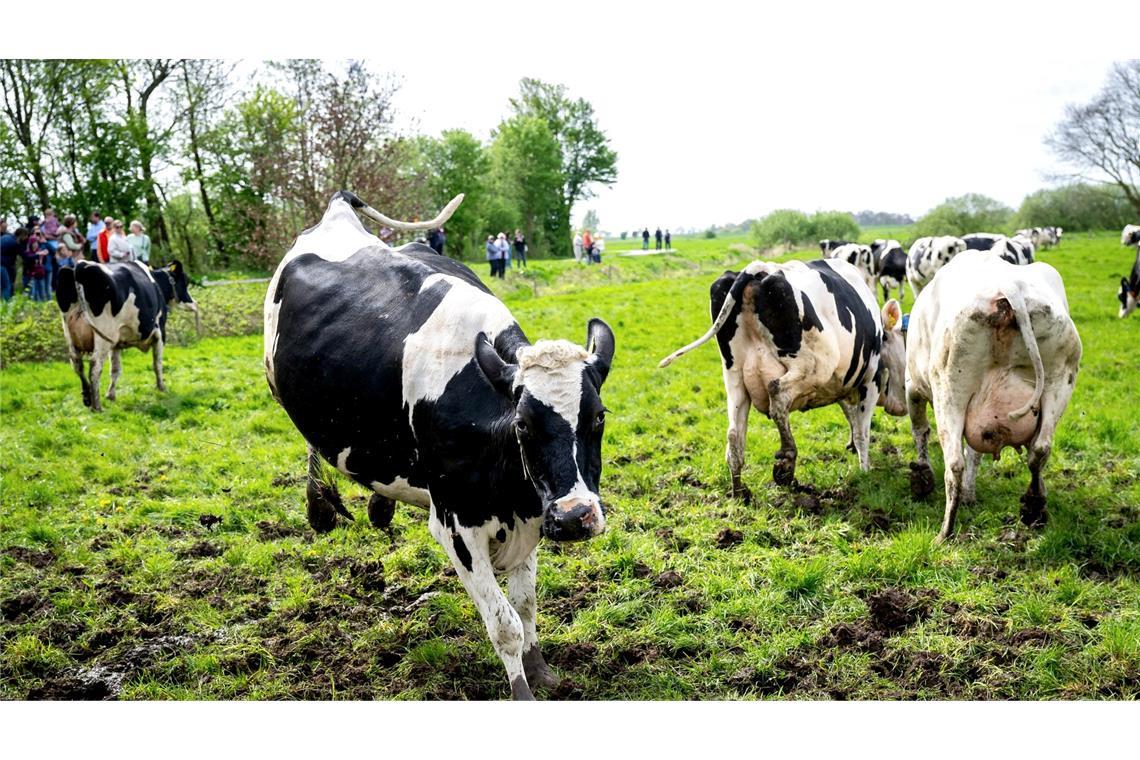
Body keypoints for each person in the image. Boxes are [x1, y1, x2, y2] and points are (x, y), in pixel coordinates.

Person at [55, 215, 85, 288]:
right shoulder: (66, 233)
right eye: (75, 222)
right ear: (72, 223)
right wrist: (79, 245)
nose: (76, 223)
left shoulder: (71, 232)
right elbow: (71, 245)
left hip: (69, 257)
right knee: (68, 277)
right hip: (66, 258)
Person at [1, 223, 28, 301]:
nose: (26, 238)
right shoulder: (15, 243)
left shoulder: (5, 236)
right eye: (26, 236)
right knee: (7, 286)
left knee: (3, 286)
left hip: (4, 265)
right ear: (22, 235)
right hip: (2, 266)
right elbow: (25, 256)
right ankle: (5, 306)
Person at [27, 226, 50, 301]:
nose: (35, 244)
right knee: (33, 292)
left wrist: (43, 256)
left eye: (36, 243)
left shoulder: (40, 249)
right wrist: (38, 255)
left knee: (42, 291)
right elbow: (29, 259)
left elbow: (45, 261)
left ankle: (43, 304)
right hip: (32, 274)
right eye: (33, 243)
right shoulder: (28, 252)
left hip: (40, 274)